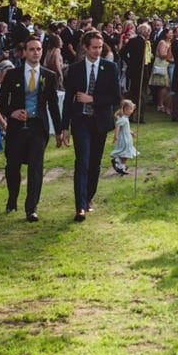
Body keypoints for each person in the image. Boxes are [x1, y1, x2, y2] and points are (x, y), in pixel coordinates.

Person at [0, 36, 60, 222]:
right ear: (25, 52)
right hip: (17, 128)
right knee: (13, 165)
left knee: (36, 167)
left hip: (38, 127)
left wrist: (60, 130)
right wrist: (12, 112)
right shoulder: (13, 74)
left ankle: (32, 208)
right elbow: (0, 101)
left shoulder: (49, 75)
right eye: (31, 49)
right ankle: (12, 199)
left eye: (38, 49)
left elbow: (53, 105)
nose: (35, 53)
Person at [56, 30, 121, 221]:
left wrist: (92, 99)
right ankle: (80, 206)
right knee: (82, 161)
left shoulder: (110, 68)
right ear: (85, 48)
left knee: (94, 163)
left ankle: (89, 197)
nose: (98, 51)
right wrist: (64, 127)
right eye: (94, 47)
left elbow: (116, 98)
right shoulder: (75, 70)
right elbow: (68, 100)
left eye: (100, 47)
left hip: (100, 121)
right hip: (81, 121)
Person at [110, 99, 138, 174]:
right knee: (125, 153)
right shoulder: (123, 119)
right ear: (126, 110)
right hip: (124, 139)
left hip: (127, 138)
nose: (132, 111)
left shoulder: (126, 118)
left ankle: (121, 167)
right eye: (131, 109)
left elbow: (126, 128)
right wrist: (115, 136)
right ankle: (117, 160)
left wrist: (131, 133)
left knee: (126, 153)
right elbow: (117, 126)